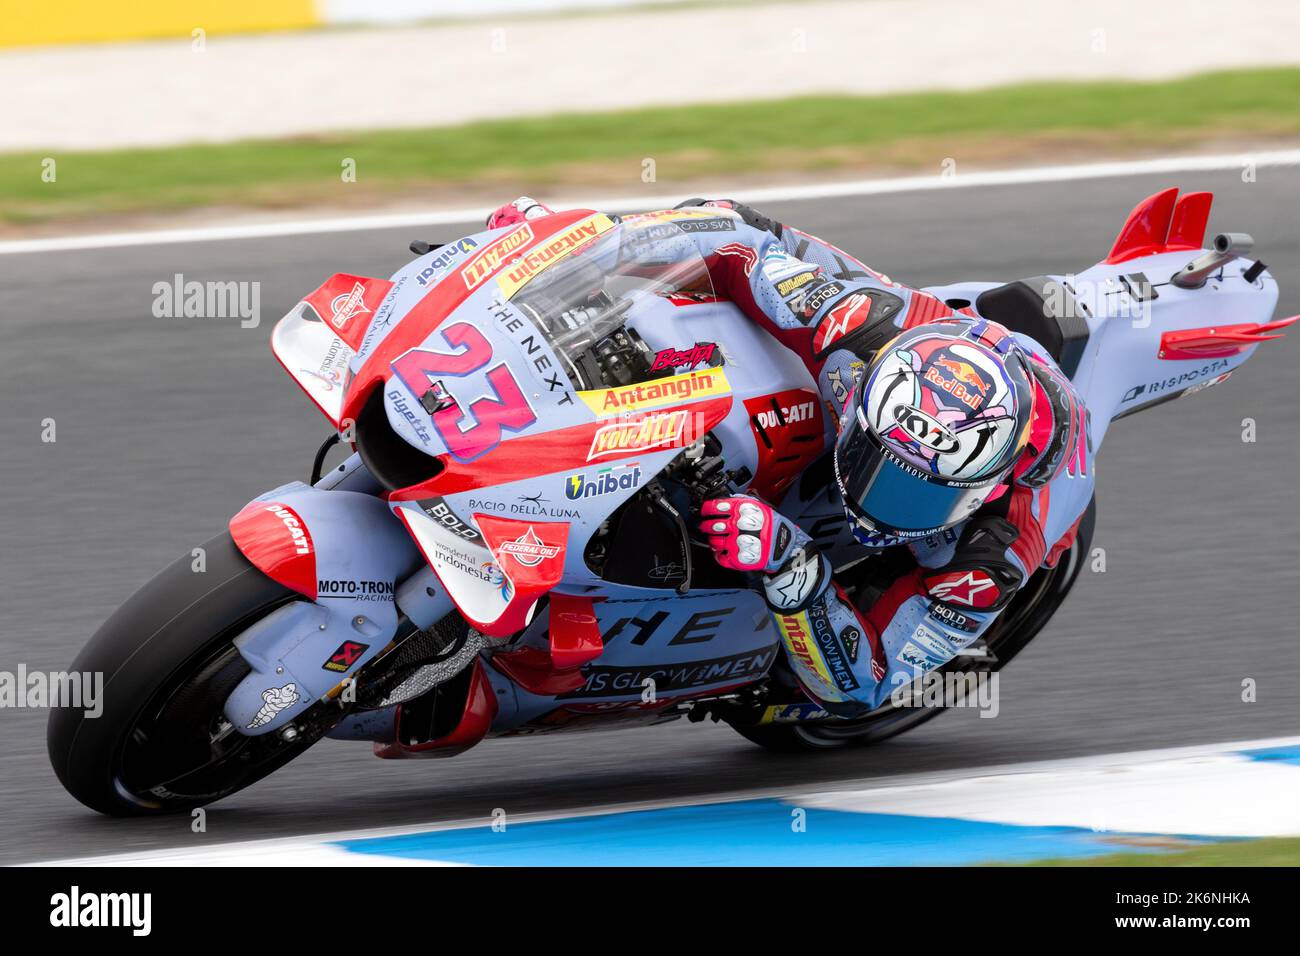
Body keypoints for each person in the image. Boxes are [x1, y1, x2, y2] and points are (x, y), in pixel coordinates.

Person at [486, 196, 1096, 715]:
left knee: (832, 682)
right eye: (873, 461)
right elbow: (731, 244)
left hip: (981, 510)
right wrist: (568, 254)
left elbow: (867, 685)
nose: (878, 500)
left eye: (915, 494)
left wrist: (793, 568)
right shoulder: (854, 329)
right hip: (909, 330)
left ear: (982, 490)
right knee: (717, 213)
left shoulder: (995, 548)